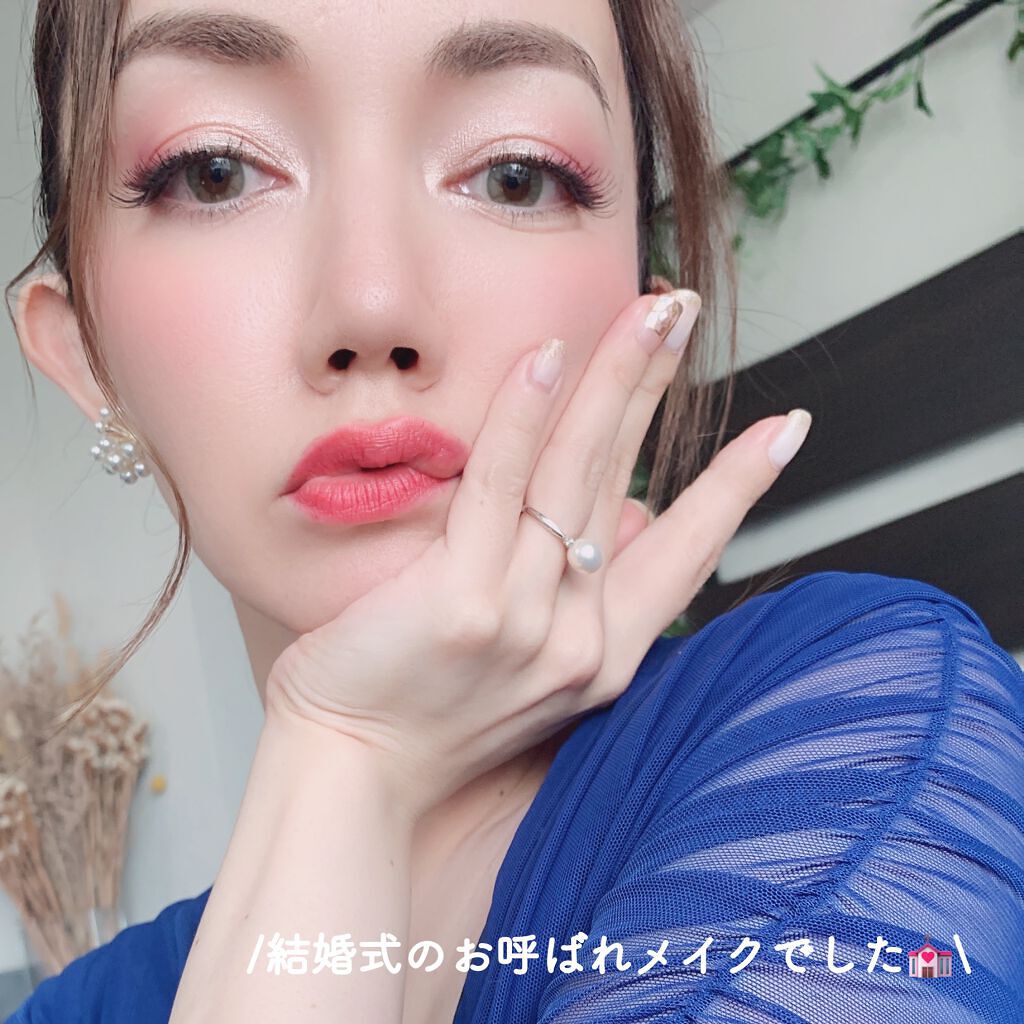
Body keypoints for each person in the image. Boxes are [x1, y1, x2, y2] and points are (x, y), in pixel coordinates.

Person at [4, 0, 1022, 1021]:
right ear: (86, 355)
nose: (372, 305)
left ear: (640, 307)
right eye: (214, 171)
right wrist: (346, 763)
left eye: (514, 175)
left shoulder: (862, 731)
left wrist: (350, 743)